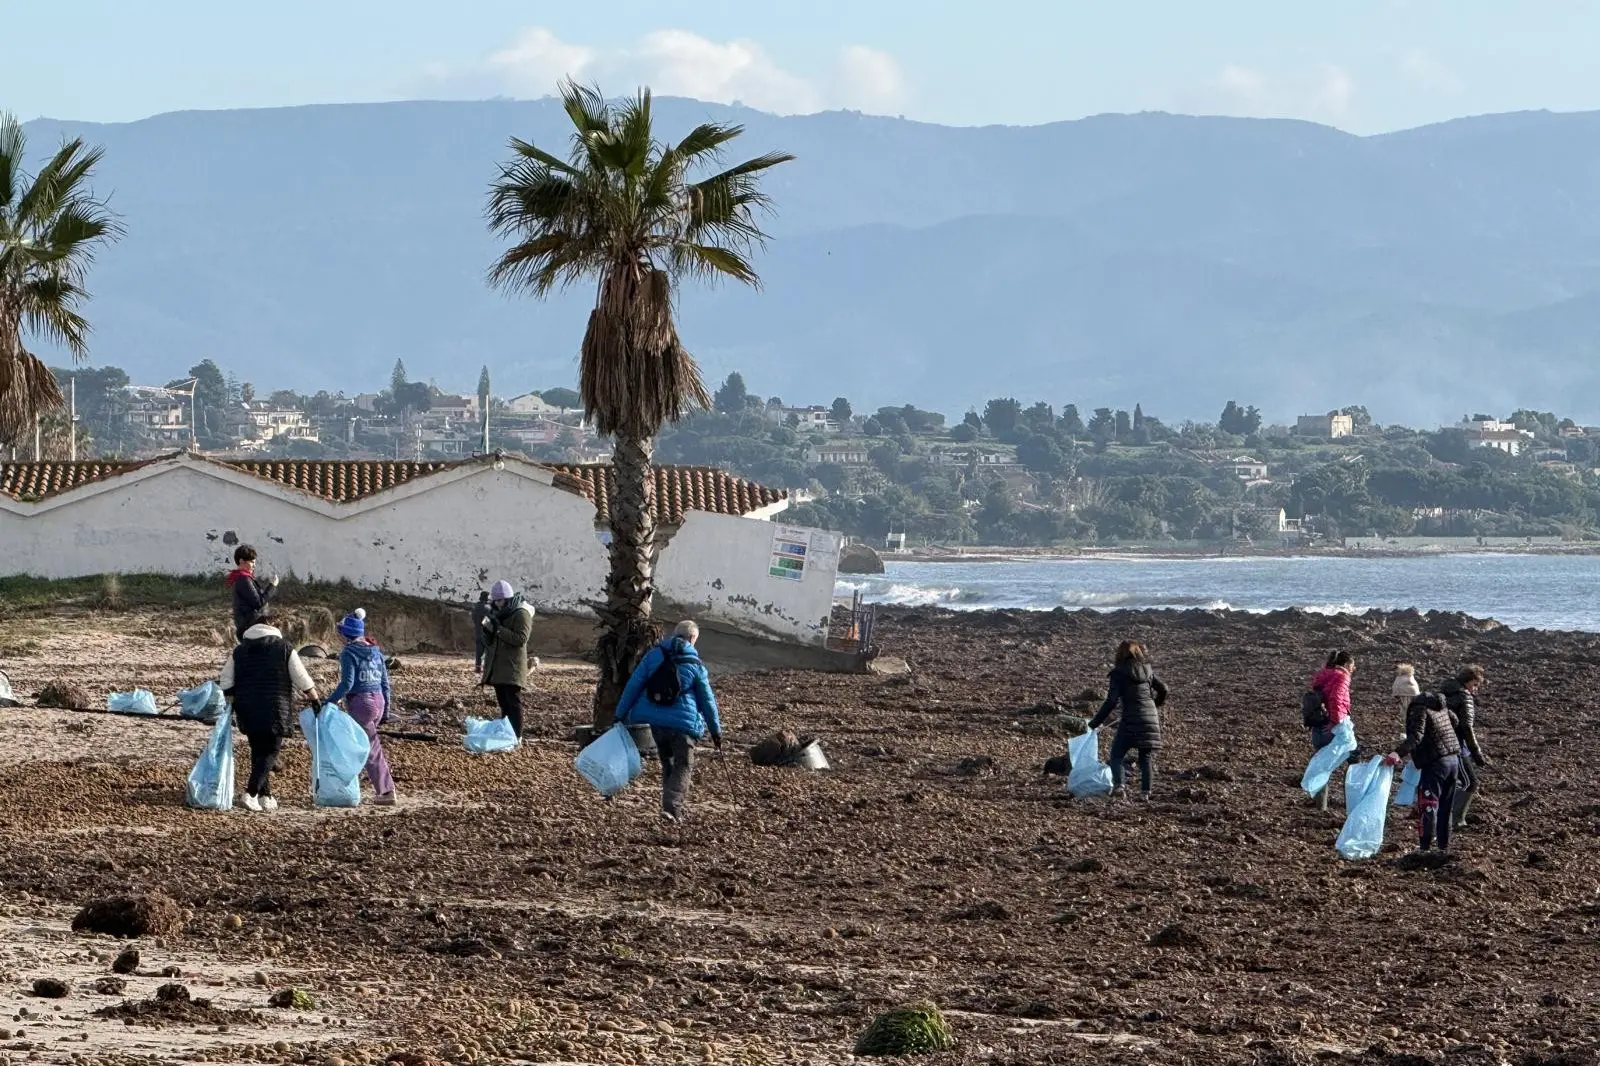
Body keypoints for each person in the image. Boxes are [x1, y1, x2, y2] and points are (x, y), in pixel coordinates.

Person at [614, 620, 723, 823]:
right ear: (693, 638)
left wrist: (619, 714)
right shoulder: (696, 664)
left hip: (653, 722)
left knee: (668, 762)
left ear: (675, 634)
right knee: (684, 764)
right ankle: (672, 807)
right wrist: (716, 731)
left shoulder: (653, 655)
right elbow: (707, 701)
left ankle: (669, 808)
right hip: (683, 725)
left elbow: (633, 685)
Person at [219, 611, 321, 812]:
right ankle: (251, 793)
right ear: (274, 628)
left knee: (258, 751)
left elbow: (226, 680)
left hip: (247, 708)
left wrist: (231, 702)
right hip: (275, 707)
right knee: (271, 751)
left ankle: (266, 796)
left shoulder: (239, 650)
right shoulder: (284, 648)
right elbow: (301, 677)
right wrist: (315, 698)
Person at [326, 609, 397, 806]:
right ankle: (354, 785)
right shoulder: (376, 651)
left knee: (369, 749)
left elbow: (347, 684)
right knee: (364, 743)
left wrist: (329, 702)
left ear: (345, 635)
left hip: (361, 704)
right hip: (379, 701)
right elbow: (385, 683)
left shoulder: (348, 653)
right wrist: (386, 711)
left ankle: (386, 791)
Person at [1087, 640, 1169, 802]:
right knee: (1145, 757)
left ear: (1119, 654)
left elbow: (1111, 701)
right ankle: (1145, 793)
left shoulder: (1118, 673)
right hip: (1150, 718)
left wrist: (1094, 723)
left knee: (1117, 754)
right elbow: (1164, 689)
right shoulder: (1147, 670)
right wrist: (1155, 705)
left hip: (1130, 718)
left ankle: (1120, 787)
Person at [1386, 691, 1462, 854]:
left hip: (1436, 764)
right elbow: (1455, 721)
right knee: (1445, 807)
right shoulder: (1441, 705)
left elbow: (1416, 736)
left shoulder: (1419, 708)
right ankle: (1443, 847)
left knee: (1428, 805)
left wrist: (1397, 753)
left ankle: (1425, 849)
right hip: (1453, 760)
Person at [480, 579, 535, 738]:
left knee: (513, 703)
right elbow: (490, 642)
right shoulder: (496, 612)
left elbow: (521, 639)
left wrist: (497, 629)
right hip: (497, 666)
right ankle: (506, 734)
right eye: (495, 601)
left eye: (500, 600)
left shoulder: (521, 613)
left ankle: (517, 736)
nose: (497, 604)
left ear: (508, 599)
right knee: (503, 703)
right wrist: (487, 631)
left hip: (512, 666)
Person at [1440, 664, 1490, 831]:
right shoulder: (1464, 697)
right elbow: (1467, 727)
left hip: (1440, 744)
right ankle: (1455, 819)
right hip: (1455, 746)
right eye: (1475, 685)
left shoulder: (1444, 693)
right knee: (1470, 782)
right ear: (1469, 681)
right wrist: (1477, 753)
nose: (1475, 689)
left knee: (1451, 783)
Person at [1306, 651, 1356, 811]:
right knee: (1354, 759)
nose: (1354, 668)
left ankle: (1320, 806)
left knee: (1321, 764)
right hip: (1333, 728)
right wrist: (1335, 722)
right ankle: (1353, 802)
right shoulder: (1342, 676)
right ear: (1347, 664)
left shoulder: (1323, 676)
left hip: (1318, 727)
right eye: (1353, 665)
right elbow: (1336, 699)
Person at [225, 545, 278, 641]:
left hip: (250, 626)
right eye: (252, 562)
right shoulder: (243, 579)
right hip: (251, 628)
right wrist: (272, 586)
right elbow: (259, 603)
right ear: (242, 561)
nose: (254, 566)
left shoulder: (242, 577)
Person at [471, 591, 492, 673]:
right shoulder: (488, 608)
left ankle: (478, 667)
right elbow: (489, 620)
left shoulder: (475, 607)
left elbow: (473, 618)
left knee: (478, 651)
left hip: (477, 631)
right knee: (488, 651)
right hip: (486, 633)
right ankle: (487, 667)